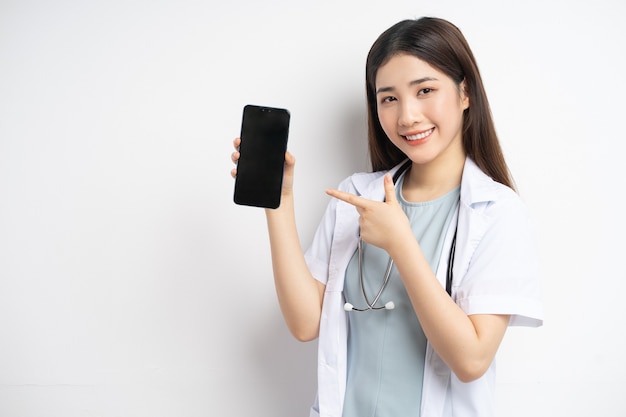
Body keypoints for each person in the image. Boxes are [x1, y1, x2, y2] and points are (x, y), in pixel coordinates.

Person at [230, 16, 543, 417]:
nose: (407, 116)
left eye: (425, 90)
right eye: (388, 98)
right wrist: (279, 201)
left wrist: (401, 243)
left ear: (465, 93)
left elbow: (471, 360)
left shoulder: (498, 213)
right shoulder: (356, 196)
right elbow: (306, 323)